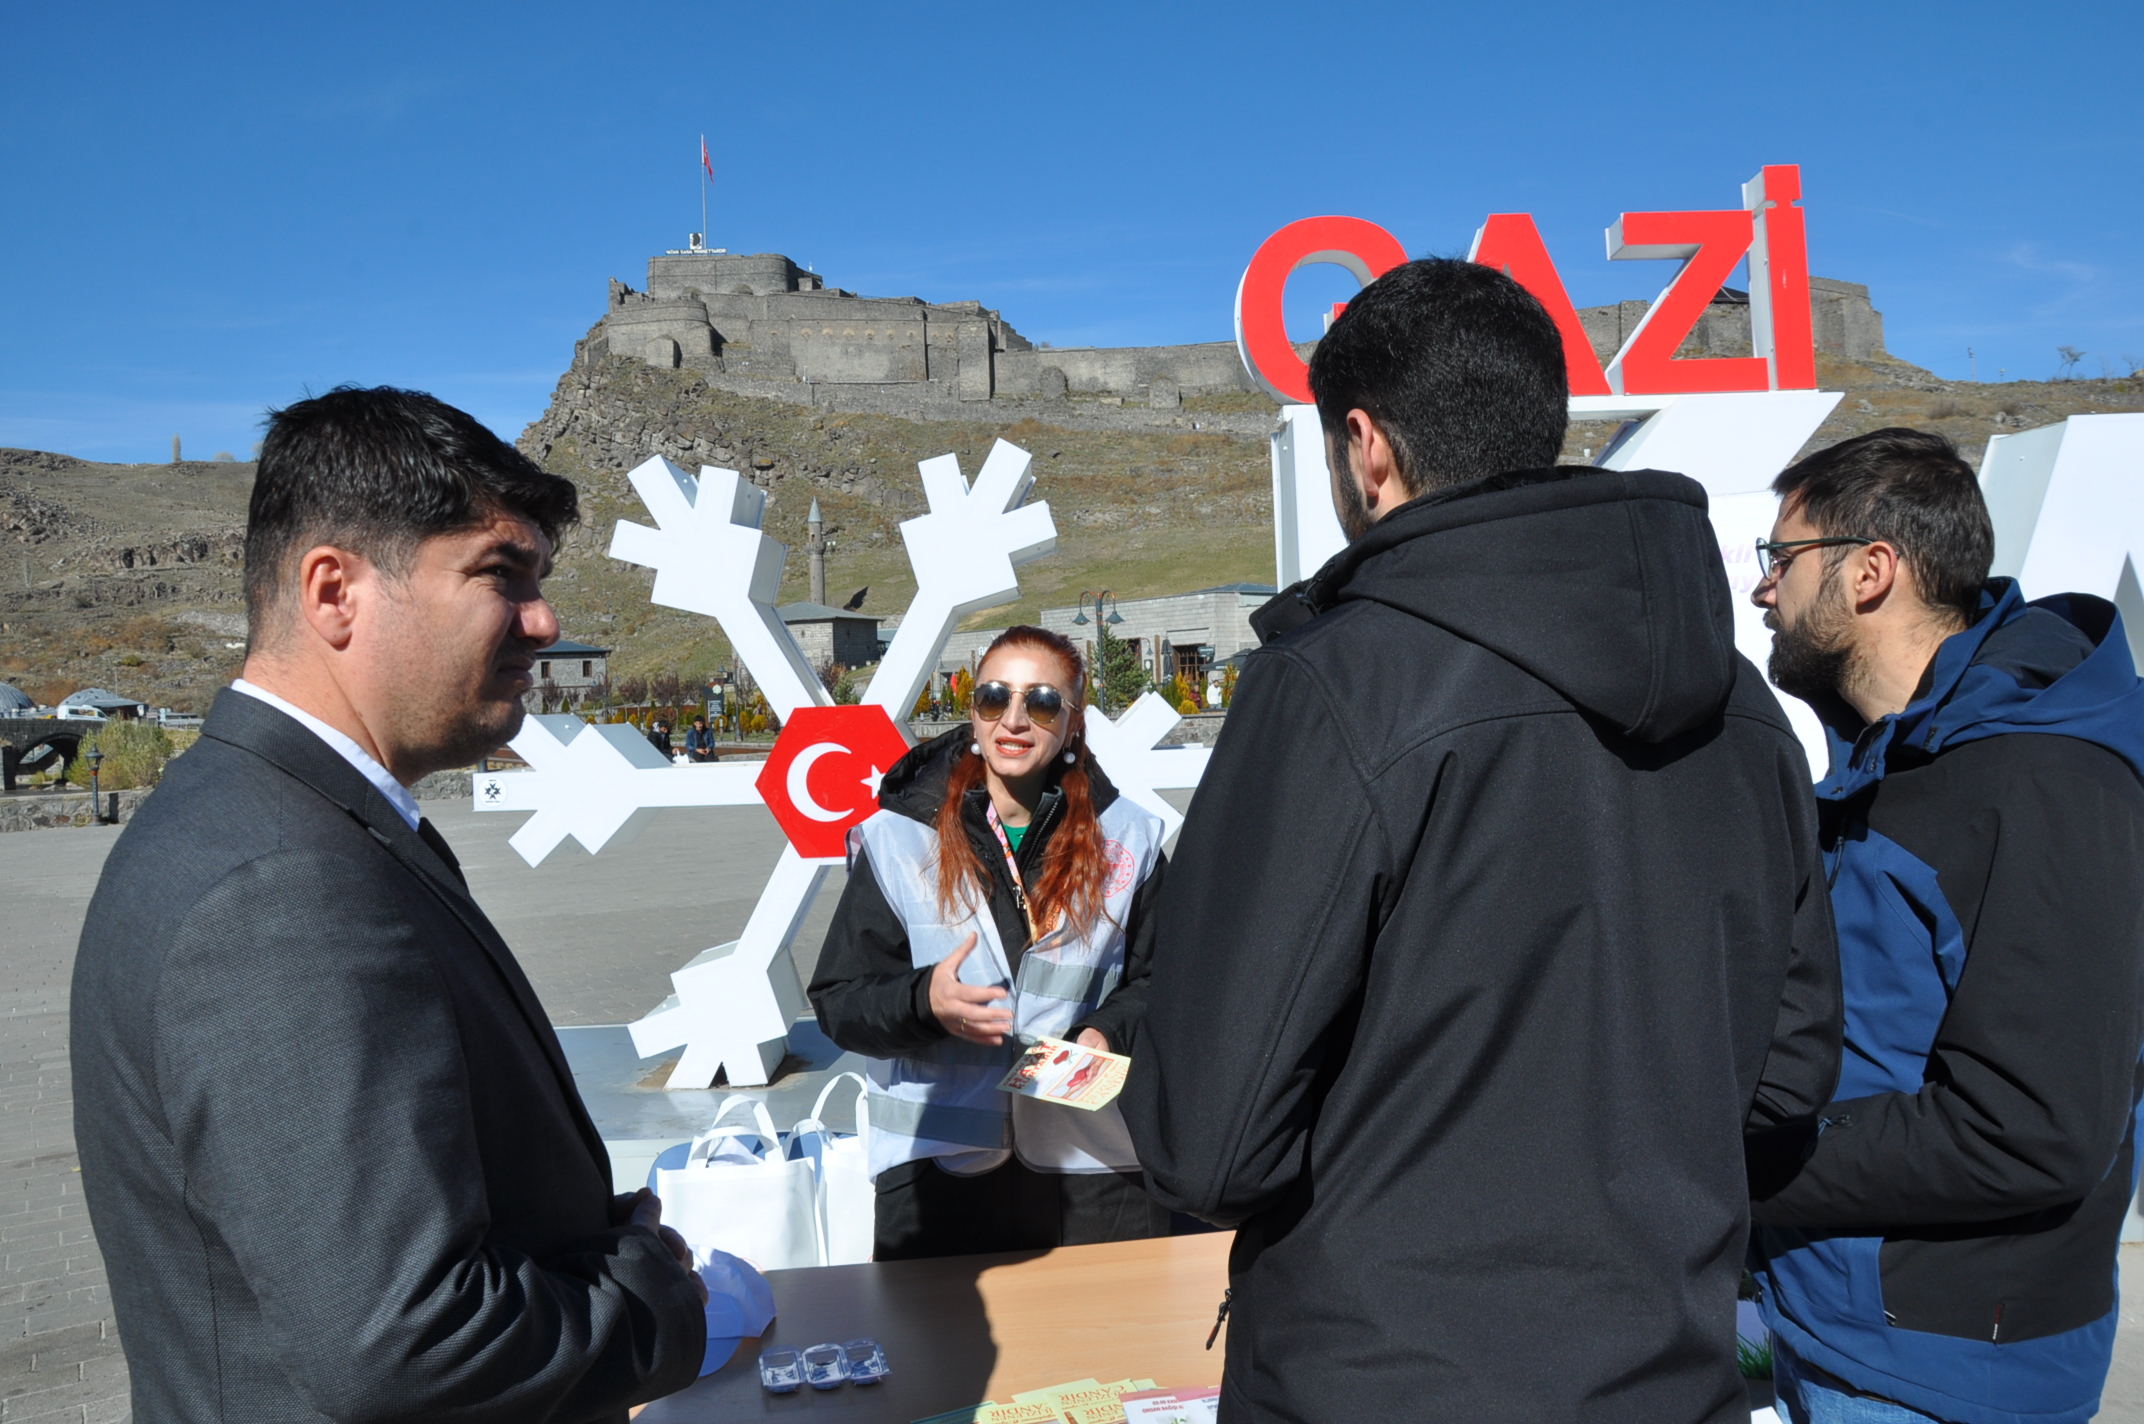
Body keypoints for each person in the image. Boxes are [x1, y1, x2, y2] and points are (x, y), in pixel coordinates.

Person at [1121, 257, 1843, 1421]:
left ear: (1365, 446)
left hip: (1379, 1374)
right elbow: (1788, 1069)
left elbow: (1209, 1139)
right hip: (1666, 1364)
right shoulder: (1746, 710)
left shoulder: (1337, 683)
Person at [71, 386, 709, 1422]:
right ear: (335, 590)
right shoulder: (281, 886)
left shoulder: (288, 818)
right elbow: (409, 1342)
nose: (544, 622)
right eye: (501, 573)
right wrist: (659, 1299)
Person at [1744, 429, 2144, 1424]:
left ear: (1868, 570)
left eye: (1777, 560)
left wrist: (1737, 1167)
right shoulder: (1896, 767)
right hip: (1841, 1326)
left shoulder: (2035, 780)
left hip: (1933, 1367)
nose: (1761, 592)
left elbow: (2028, 1127)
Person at [810, 627, 1173, 1260]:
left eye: (1040, 702)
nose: (1013, 719)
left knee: (1105, 1356)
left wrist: (1106, 1032)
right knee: (944, 1359)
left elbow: (1168, 981)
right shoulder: (901, 839)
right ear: (972, 715)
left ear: (1072, 724)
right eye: (993, 697)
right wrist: (926, 1002)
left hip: (1094, 1174)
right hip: (938, 1181)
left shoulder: (1130, 838)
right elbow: (840, 1001)